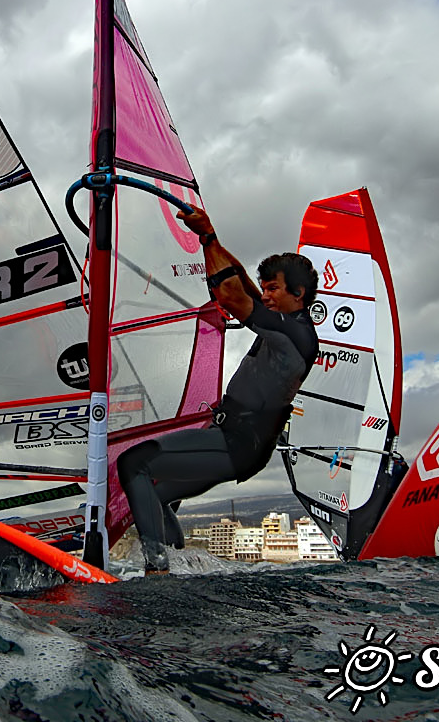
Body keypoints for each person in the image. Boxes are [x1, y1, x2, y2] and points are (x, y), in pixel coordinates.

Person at [117, 207, 318, 574]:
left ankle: (157, 572)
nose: (266, 295)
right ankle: (175, 562)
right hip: (232, 438)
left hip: (239, 445)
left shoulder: (295, 334)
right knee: (158, 495)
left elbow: (229, 294)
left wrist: (207, 236)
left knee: (134, 462)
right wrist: (213, 239)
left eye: (273, 288)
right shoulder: (283, 324)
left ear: (298, 293)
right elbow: (240, 279)